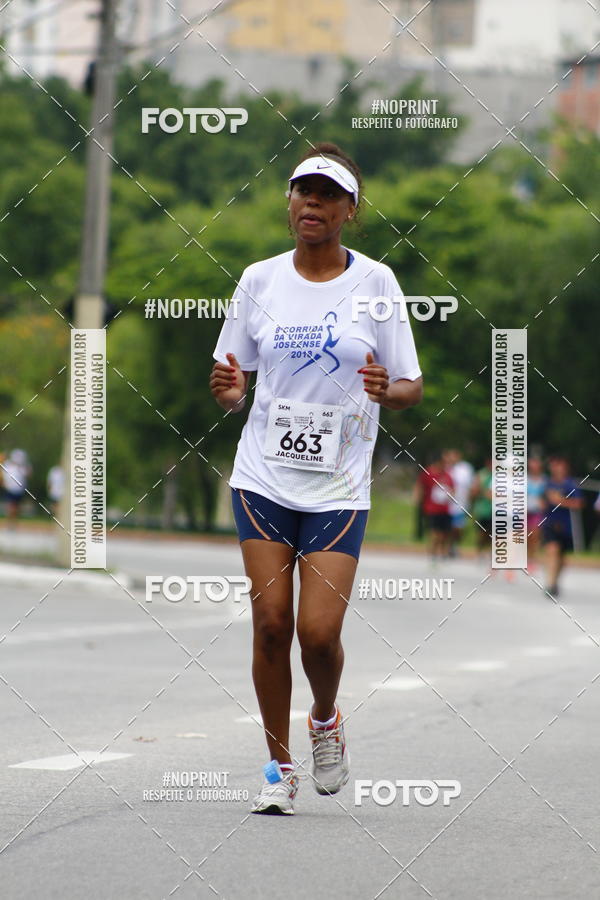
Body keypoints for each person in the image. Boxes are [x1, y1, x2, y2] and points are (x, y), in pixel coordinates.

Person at [210, 142, 423, 815]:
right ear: (290, 201)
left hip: (338, 485)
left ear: (349, 211)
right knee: (271, 623)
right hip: (264, 477)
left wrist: (390, 393)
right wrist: (228, 392)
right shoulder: (259, 280)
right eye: (304, 191)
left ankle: (325, 720)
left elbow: (412, 385)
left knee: (318, 635)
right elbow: (231, 383)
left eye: (328, 195)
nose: (312, 204)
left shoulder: (378, 284)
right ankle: (277, 767)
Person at [542, 456, 583, 597]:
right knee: (552, 550)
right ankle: (550, 583)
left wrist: (560, 501)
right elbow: (542, 502)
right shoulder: (547, 483)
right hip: (550, 524)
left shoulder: (570, 485)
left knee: (562, 558)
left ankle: (555, 581)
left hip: (566, 525)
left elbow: (578, 504)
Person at [414, 451, 454, 562]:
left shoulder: (447, 475)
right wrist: (418, 499)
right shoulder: (428, 473)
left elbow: (452, 490)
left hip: (445, 509)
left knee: (443, 534)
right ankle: (432, 554)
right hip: (432, 508)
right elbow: (420, 486)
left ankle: (441, 552)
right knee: (434, 533)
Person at [447, 449, 474, 557]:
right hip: (446, 504)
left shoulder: (465, 468)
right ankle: (448, 547)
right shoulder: (445, 468)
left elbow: (471, 486)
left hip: (460, 503)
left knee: (458, 528)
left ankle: (454, 545)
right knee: (446, 527)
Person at [526, 456, 546, 571]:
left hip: (537, 512)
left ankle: (531, 560)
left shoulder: (544, 480)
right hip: (523, 511)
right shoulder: (524, 479)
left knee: (535, 536)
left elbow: (546, 495)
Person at [471, 459, 493, 560]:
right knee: (482, 532)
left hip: (494, 509)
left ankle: (489, 552)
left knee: (492, 532)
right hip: (482, 509)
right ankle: (479, 551)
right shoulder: (481, 474)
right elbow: (474, 490)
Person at [2, 449, 31, 527]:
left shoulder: (23, 467)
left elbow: (28, 474)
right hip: (10, 489)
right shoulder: (8, 465)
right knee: (11, 507)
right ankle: (9, 522)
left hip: (19, 490)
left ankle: (13, 522)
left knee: (17, 508)